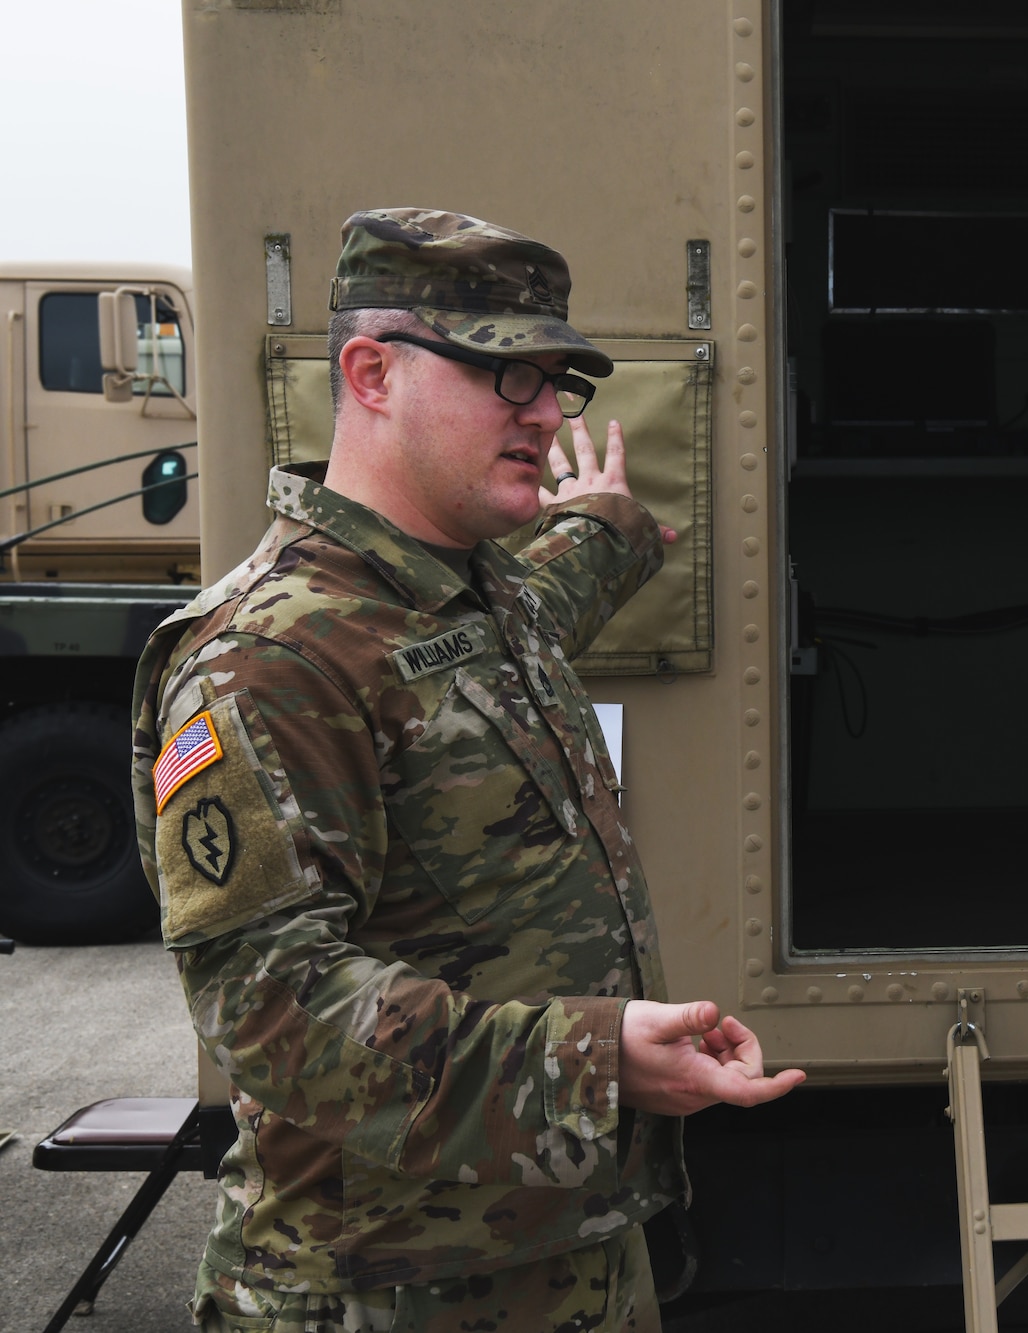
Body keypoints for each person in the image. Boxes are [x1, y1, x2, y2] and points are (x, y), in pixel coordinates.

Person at [131, 207, 803, 1333]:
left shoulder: (473, 598)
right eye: (503, 372)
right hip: (385, 1291)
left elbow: (545, 597)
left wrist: (611, 522)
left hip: (556, 1255)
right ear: (371, 372)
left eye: (553, 380)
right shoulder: (268, 655)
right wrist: (596, 1063)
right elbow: (269, 1004)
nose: (543, 410)